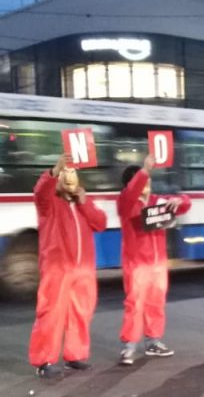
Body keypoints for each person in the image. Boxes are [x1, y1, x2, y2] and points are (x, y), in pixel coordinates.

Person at [28, 154, 107, 377]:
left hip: (83, 270)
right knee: (51, 314)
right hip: (58, 269)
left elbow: (100, 223)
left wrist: (84, 203)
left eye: (73, 174)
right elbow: (40, 192)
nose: (70, 178)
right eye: (65, 174)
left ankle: (75, 355)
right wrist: (54, 171)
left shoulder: (83, 203)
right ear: (58, 179)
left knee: (81, 313)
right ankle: (43, 361)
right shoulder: (49, 203)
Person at [117, 154, 191, 364]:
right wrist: (145, 170)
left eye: (148, 181)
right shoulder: (125, 202)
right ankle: (129, 346)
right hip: (137, 263)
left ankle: (153, 342)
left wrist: (180, 201)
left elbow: (184, 204)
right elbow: (131, 193)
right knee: (135, 304)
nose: (147, 184)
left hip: (158, 263)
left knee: (156, 303)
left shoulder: (156, 201)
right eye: (143, 181)